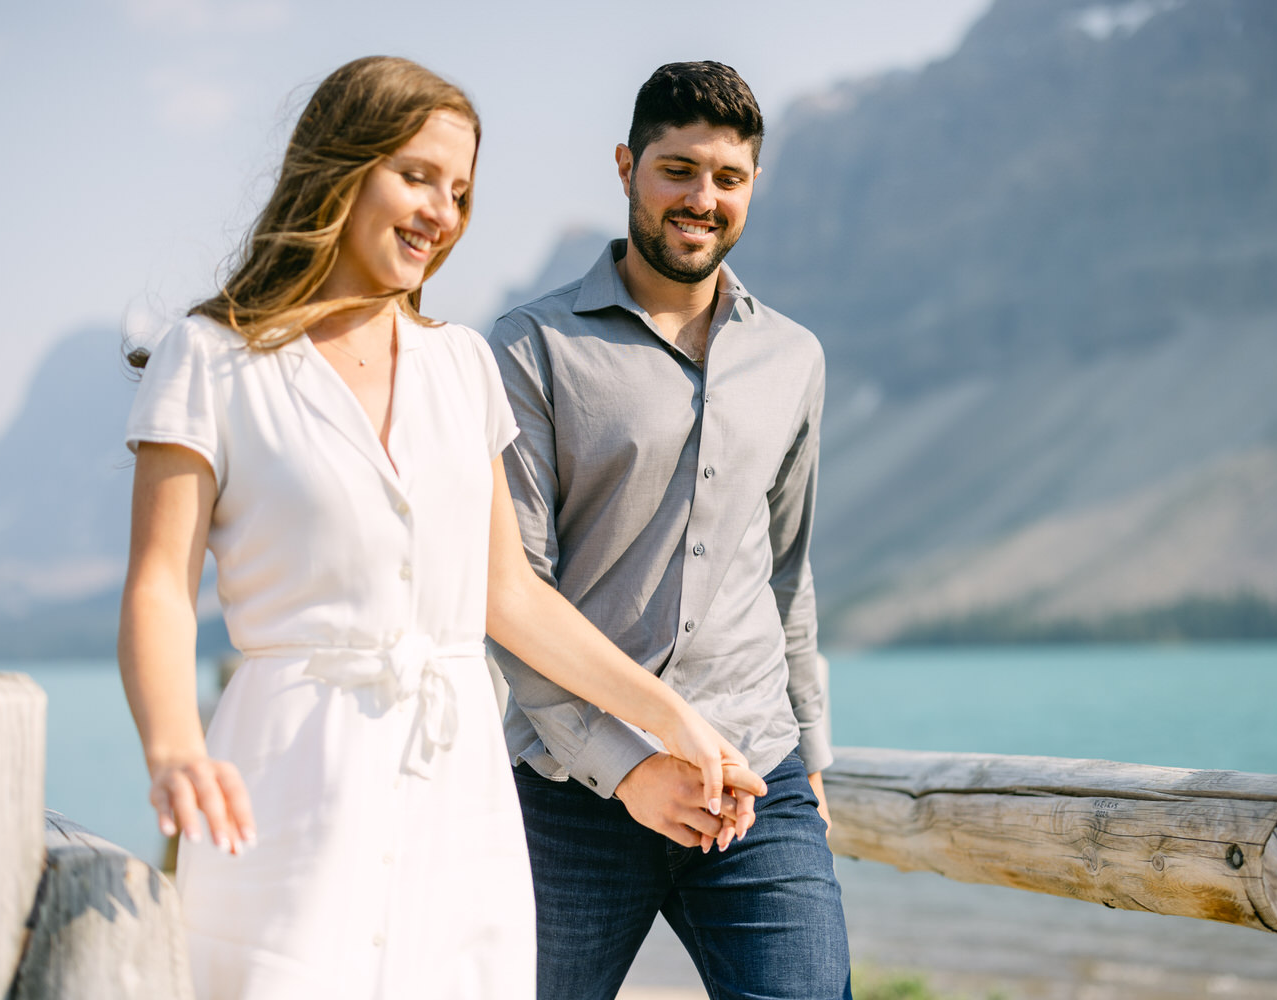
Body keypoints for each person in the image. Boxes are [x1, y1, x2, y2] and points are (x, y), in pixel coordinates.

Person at [117, 55, 764, 1000]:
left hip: (457, 790)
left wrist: (674, 721)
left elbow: (507, 598)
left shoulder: (461, 364)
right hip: (288, 776)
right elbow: (157, 590)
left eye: (459, 191)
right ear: (339, 166)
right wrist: (173, 747)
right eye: (416, 175)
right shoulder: (210, 358)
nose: (441, 212)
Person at [487, 61, 851, 1000]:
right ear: (626, 167)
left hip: (750, 783)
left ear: (753, 187)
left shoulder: (793, 357)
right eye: (677, 170)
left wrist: (809, 757)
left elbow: (787, 572)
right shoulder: (530, 349)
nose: (702, 198)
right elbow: (511, 593)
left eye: (727, 178)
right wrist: (630, 767)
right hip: (572, 793)